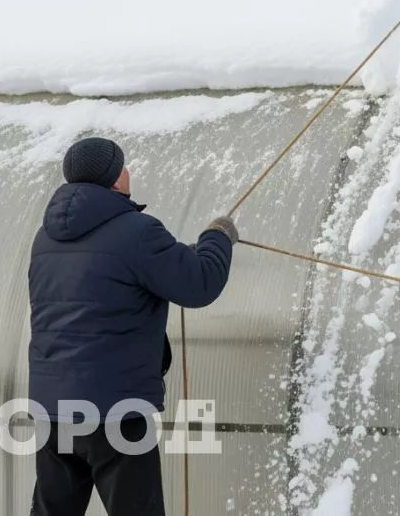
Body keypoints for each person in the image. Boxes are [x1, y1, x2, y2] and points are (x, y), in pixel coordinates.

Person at [27, 137, 238, 516]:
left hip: (53, 409)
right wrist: (217, 238)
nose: (128, 173)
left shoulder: (44, 239)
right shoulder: (137, 232)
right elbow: (200, 283)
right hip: (115, 410)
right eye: (123, 166)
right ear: (115, 179)